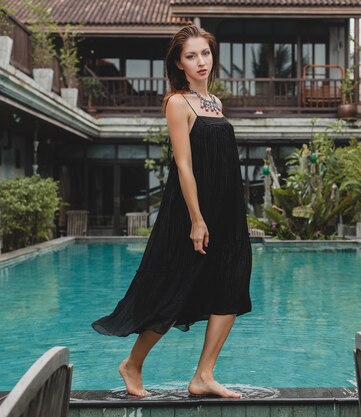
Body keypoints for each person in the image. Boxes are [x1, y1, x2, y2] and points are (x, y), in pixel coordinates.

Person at [91, 25, 252, 399]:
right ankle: (132, 364)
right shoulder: (177, 102)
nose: (200, 62)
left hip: (227, 209)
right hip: (191, 211)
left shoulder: (215, 103)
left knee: (233, 281)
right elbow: (183, 165)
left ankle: (204, 375)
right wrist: (197, 219)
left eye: (205, 54)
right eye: (191, 56)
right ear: (179, 64)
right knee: (171, 289)